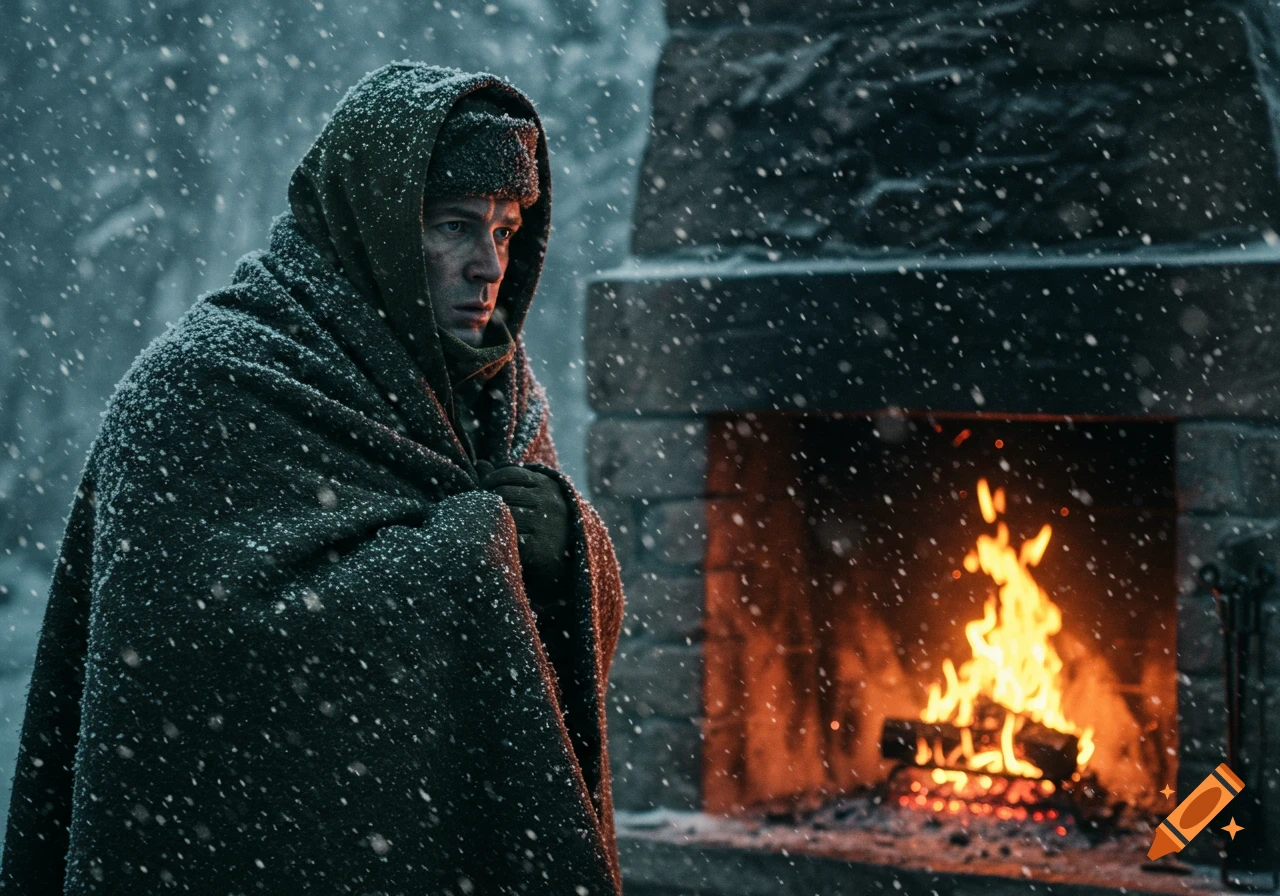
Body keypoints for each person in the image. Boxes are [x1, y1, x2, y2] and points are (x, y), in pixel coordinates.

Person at [0, 62, 624, 895]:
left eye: (506, 231)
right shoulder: (204, 385)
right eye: (453, 227)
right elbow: (199, 658)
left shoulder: (496, 394)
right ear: (371, 222)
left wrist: (570, 542)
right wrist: (477, 549)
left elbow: (552, 628)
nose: (488, 266)